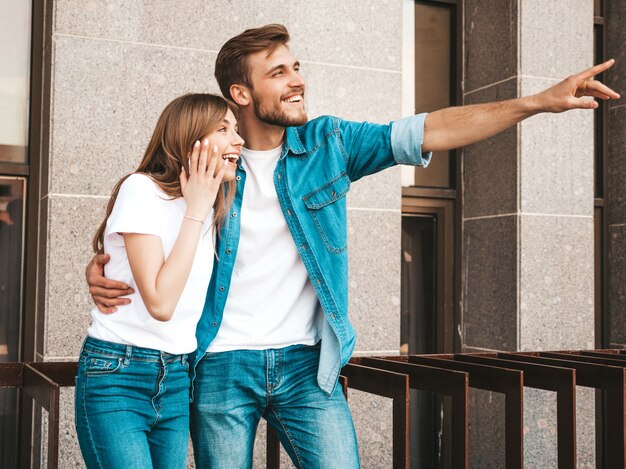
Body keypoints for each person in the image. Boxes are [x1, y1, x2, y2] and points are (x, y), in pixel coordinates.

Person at [85, 25, 620, 469]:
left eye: (296, 68)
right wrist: (103, 269)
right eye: (278, 73)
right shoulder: (211, 164)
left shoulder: (330, 143)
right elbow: (151, 215)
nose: (297, 82)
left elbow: (427, 130)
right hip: (218, 366)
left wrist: (538, 102)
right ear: (240, 94)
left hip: (306, 366)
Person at [75, 93, 244, 468]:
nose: (239, 139)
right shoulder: (143, 190)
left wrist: (200, 207)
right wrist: (197, 210)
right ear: (190, 139)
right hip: (118, 375)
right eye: (223, 129)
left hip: (176, 378)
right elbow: (160, 303)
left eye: (236, 129)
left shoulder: (214, 202)